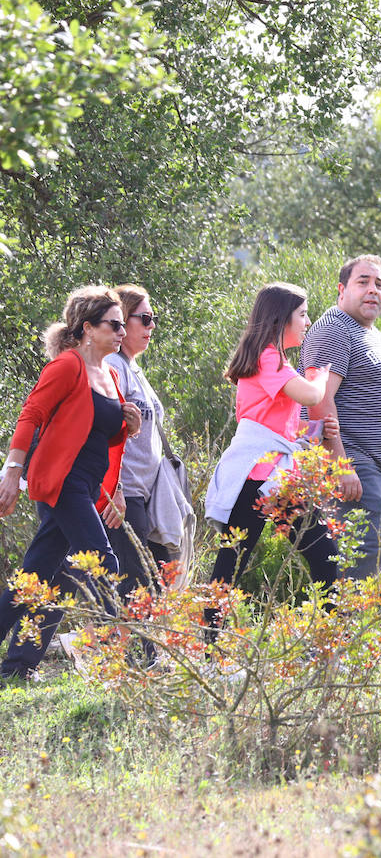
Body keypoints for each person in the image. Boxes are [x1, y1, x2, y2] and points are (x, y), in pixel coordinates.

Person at [0, 286, 142, 679]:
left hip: (88, 486)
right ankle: (117, 664)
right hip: (63, 483)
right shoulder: (67, 366)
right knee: (101, 562)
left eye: (121, 325)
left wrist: (128, 427)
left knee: (36, 578)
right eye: (114, 324)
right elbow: (31, 415)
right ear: (87, 329)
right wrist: (12, 472)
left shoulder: (111, 375)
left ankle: (15, 668)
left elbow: (101, 436)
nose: (121, 331)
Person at [204, 283, 339, 615]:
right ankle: (209, 654)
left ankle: (331, 644)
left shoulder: (274, 360)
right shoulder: (268, 357)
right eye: (303, 314)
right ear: (282, 319)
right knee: (232, 564)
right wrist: (321, 375)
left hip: (278, 478)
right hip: (256, 477)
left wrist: (316, 431)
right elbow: (311, 396)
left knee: (324, 556)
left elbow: (279, 427)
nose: (307, 322)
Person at [302, 255, 381, 580]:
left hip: (373, 463)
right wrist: (340, 466)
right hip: (352, 459)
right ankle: (341, 625)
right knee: (368, 547)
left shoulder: (375, 337)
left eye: (379, 284)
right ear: (342, 289)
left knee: (366, 548)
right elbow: (319, 402)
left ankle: (338, 624)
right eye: (363, 282)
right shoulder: (334, 330)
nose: (373, 290)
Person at [104, 284, 193, 599]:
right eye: (145, 318)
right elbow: (104, 434)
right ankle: (137, 648)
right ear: (121, 322)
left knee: (150, 583)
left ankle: (139, 647)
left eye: (152, 318)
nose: (151, 325)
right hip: (123, 494)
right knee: (138, 586)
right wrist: (116, 490)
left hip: (144, 494)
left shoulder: (132, 367)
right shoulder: (114, 366)